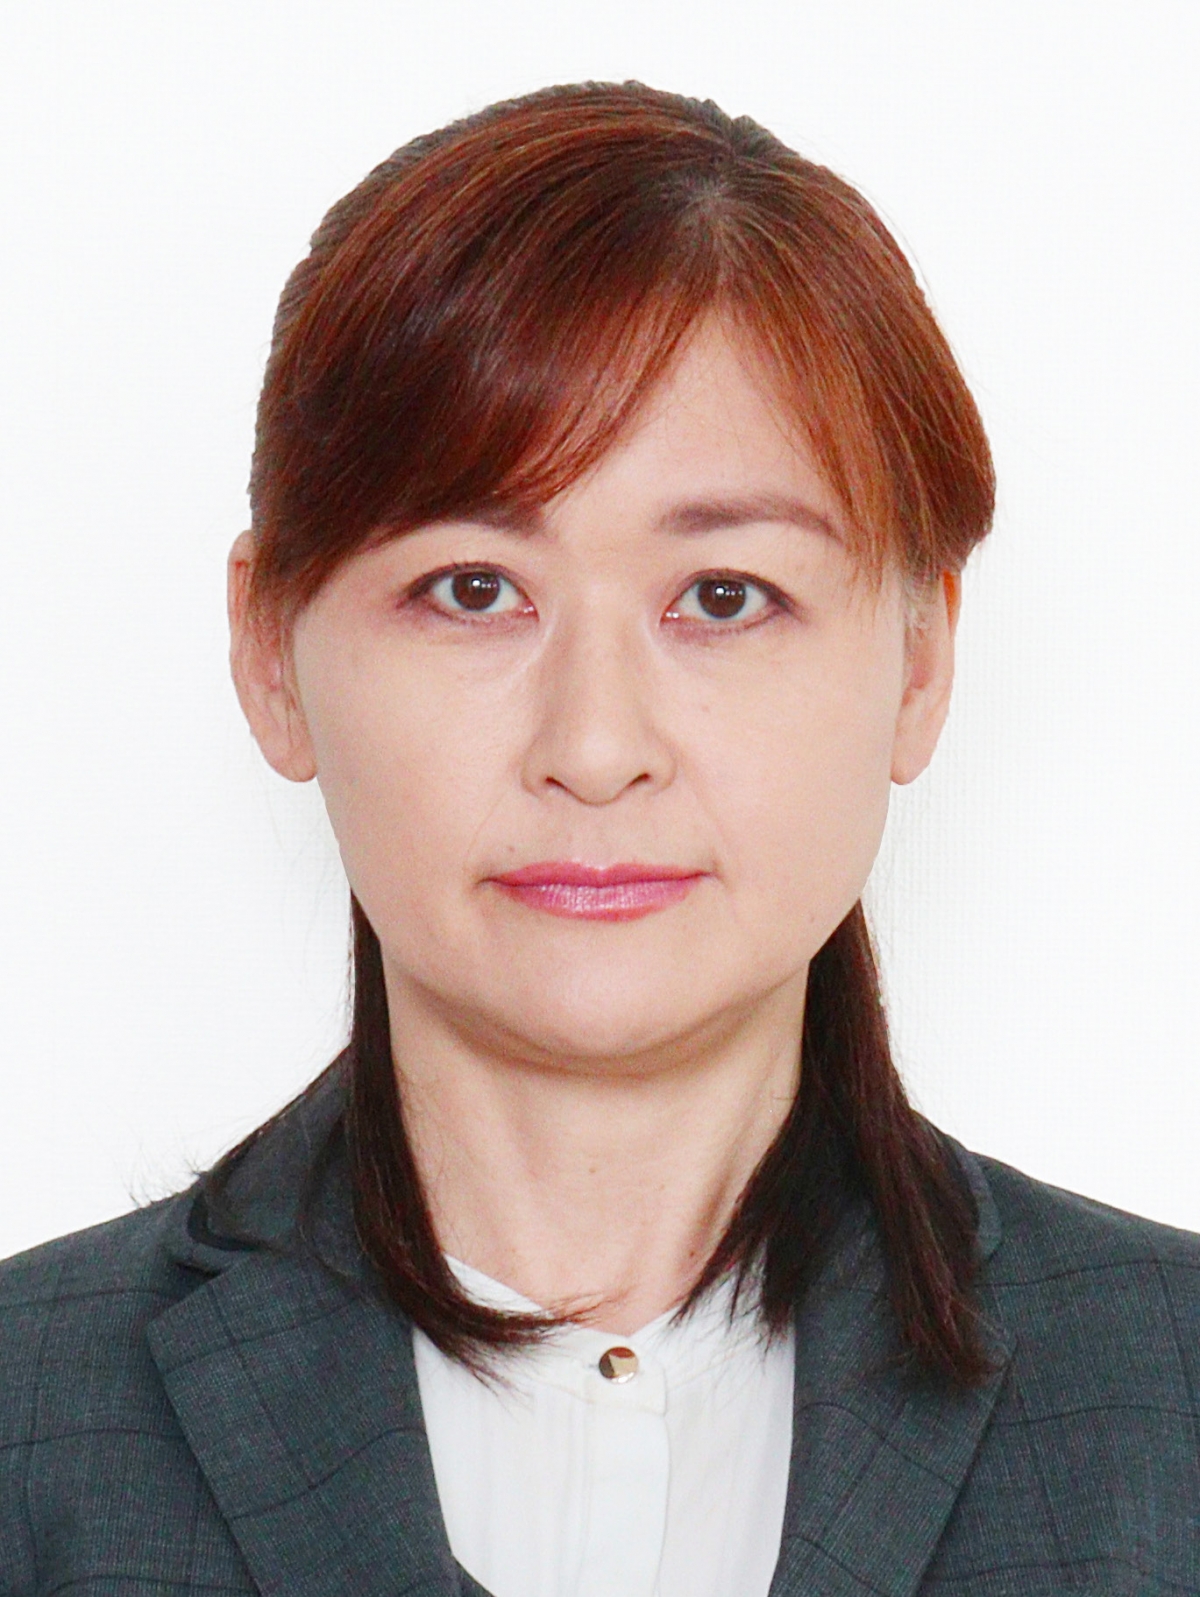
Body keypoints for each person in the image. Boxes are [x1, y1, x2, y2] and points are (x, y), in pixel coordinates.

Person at [1, 79, 1196, 1597]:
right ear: (270, 655)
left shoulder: (1169, 1399)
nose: (594, 746)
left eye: (723, 597)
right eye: (473, 590)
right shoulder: (30, 1419)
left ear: (919, 660)